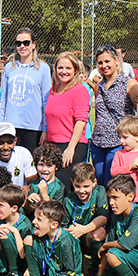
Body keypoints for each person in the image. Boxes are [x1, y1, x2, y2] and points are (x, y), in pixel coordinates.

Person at [14, 200, 82, 276]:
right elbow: (36, 255)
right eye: (35, 217)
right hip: (47, 270)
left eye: (39, 219)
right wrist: (28, 271)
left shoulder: (66, 242)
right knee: (29, 239)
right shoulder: (42, 233)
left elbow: (69, 275)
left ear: (54, 224)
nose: (33, 222)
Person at [90, 44, 138, 186]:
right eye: (100, 62)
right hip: (98, 143)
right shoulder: (98, 87)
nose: (104, 65)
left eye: (107, 61)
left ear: (117, 61)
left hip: (119, 143)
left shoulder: (129, 84)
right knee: (99, 182)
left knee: (113, 182)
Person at [42, 52, 90, 192]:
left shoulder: (79, 90)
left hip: (71, 145)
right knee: (53, 187)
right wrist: (45, 132)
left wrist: (70, 148)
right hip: (53, 143)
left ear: (75, 70)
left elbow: (81, 121)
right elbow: (49, 113)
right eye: (60, 68)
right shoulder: (53, 90)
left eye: (68, 68)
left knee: (65, 188)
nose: (64, 72)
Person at [0, 28, 51, 153]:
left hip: (33, 127)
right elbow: (4, 99)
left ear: (33, 44)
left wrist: (45, 129)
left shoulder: (43, 68)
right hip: (11, 125)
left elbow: (46, 100)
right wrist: (1, 124)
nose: (22, 46)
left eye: (26, 43)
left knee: (31, 165)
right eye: (18, 43)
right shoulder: (9, 68)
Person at [62, 163, 108, 276]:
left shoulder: (99, 191)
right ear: (72, 181)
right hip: (74, 238)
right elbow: (63, 226)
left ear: (94, 182)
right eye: (77, 186)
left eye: (86, 186)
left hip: (89, 235)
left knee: (100, 232)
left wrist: (83, 229)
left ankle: (94, 268)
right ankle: (72, 265)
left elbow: (103, 218)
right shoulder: (68, 200)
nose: (82, 191)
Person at [0, 122, 37, 191]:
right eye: (1, 143)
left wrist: (28, 189)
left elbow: (33, 180)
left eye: (10, 142)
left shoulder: (24, 153)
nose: (6, 147)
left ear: (15, 141)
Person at [111, 115, 138, 204]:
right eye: (120, 137)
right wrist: (130, 166)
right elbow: (113, 172)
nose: (121, 141)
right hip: (122, 199)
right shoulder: (119, 154)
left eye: (125, 137)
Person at [25, 143, 65, 216]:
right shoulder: (34, 183)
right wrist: (29, 201)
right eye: (41, 165)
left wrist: (44, 195)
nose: (44, 169)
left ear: (56, 167)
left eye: (49, 165)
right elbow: (28, 211)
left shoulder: (59, 187)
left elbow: (56, 214)